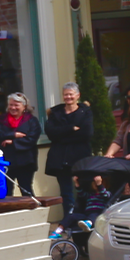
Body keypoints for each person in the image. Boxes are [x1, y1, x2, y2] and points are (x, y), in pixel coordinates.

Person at [44, 82, 93, 213]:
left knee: (84, 190)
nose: (68, 97)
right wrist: (71, 129)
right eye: (66, 94)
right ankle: (68, 221)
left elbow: (86, 134)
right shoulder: (55, 113)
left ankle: (84, 218)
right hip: (61, 159)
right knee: (66, 193)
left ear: (78, 95)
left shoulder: (85, 112)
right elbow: (50, 133)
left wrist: (61, 135)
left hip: (80, 157)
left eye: (71, 94)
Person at [0, 92, 43, 197]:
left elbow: (31, 139)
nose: (13, 107)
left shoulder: (32, 121)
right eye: (11, 105)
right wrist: (14, 134)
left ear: (24, 106)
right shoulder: (1, 119)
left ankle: (30, 211)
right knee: (6, 190)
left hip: (26, 162)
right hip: (6, 161)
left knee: (26, 189)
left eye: (16, 105)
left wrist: (12, 142)